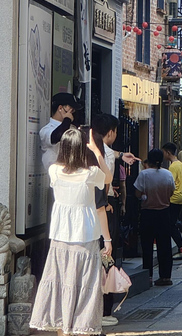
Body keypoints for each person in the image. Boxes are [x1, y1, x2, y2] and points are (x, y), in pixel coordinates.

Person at [30, 128, 112, 335]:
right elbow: (108, 177)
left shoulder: (54, 171)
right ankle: (80, 328)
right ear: (82, 148)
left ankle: (62, 328)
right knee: (85, 285)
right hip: (85, 237)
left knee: (60, 283)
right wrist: (97, 152)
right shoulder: (90, 174)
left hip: (60, 237)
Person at [91, 113, 138, 327]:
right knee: (106, 258)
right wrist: (109, 200)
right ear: (110, 132)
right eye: (116, 131)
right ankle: (104, 309)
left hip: (83, 212)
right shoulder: (105, 153)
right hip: (103, 209)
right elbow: (105, 184)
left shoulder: (86, 146)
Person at [134, 148, 175, 286]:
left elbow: (137, 193)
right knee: (165, 245)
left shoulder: (144, 174)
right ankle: (165, 276)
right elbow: (171, 192)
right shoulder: (168, 174)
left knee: (147, 246)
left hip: (148, 213)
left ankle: (148, 275)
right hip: (164, 212)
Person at [162, 142, 182, 259]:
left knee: (170, 225)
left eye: (164, 152)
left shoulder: (173, 166)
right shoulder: (180, 164)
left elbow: (170, 183)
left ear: (168, 152)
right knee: (172, 223)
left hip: (174, 197)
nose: (163, 154)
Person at [39, 92, 81, 170]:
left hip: (71, 173)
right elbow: (57, 136)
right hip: (54, 175)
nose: (73, 112)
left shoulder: (72, 127)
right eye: (71, 109)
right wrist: (67, 119)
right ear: (60, 108)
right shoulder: (46, 129)